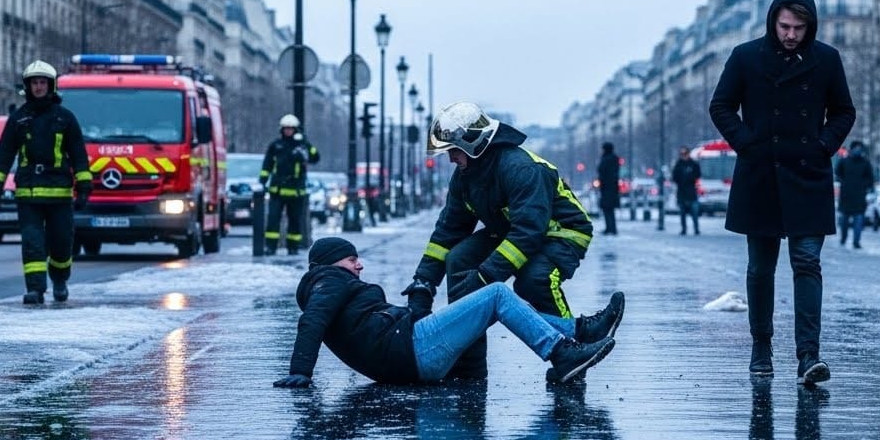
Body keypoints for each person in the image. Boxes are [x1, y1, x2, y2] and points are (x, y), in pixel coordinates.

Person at [708, 0, 856, 384]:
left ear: (811, 26)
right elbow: (720, 105)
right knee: (761, 268)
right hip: (761, 173)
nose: (791, 35)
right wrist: (746, 142)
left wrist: (823, 145)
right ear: (773, 21)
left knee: (807, 263)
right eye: (785, 26)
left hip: (808, 174)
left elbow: (844, 111)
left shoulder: (827, 60)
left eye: (799, 28)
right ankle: (761, 346)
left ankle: (809, 355)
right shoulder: (745, 57)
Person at [404, 101, 610, 380]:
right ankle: (469, 364)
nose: (450, 158)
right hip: (513, 230)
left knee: (533, 280)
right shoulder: (465, 177)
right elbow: (448, 231)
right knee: (460, 259)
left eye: (453, 150)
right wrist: (424, 282)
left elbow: (528, 233)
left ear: (472, 144)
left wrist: (485, 276)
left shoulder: (520, 168)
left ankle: (571, 353)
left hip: (561, 231)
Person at [273, 237, 622, 387]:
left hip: (408, 355)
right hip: (411, 352)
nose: (359, 265)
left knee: (490, 304)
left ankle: (577, 332)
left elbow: (391, 327)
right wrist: (300, 371)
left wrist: (419, 297)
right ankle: (563, 353)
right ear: (333, 262)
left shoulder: (334, 285)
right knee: (496, 294)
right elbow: (312, 320)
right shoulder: (328, 281)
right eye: (352, 260)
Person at [0, 59, 92, 305]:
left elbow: (78, 154)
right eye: (34, 83)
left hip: (59, 193)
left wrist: (84, 187)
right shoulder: (18, 119)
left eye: (42, 82)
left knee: (61, 242)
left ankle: (60, 280)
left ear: (51, 85)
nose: (38, 87)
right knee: (32, 242)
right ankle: (35, 289)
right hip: (28, 192)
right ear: (28, 86)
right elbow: (4, 154)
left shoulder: (65, 118)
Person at [259, 114, 320, 255]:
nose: (288, 131)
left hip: (296, 192)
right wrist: (262, 181)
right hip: (277, 191)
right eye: (286, 128)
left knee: (295, 221)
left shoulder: (302, 146)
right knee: (273, 219)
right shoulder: (276, 145)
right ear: (282, 129)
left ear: (296, 129)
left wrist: (306, 144)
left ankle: (293, 247)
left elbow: (315, 157)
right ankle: (271, 247)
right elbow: (267, 165)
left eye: (291, 128)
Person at [833, 140, 875, 249]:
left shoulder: (865, 163)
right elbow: (837, 173)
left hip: (858, 197)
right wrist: (844, 183)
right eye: (856, 148)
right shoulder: (844, 161)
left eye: (859, 148)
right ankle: (844, 239)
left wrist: (864, 186)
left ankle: (855, 241)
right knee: (845, 221)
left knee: (858, 221)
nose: (857, 150)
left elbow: (870, 179)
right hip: (847, 196)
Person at [671, 145, 702, 235]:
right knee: (682, 213)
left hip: (691, 192)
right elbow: (674, 177)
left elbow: (698, 174)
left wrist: (689, 178)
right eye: (682, 154)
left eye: (685, 153)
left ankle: (696, 229)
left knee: (694, 212)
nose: (683, 155)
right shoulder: (678, 164)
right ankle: (684, 229)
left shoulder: (693, 164)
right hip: (682, 192)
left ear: (688, 154)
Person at [597, 142, 621, 235]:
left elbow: (600, 170)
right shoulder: (614, 159)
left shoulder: (606, 159)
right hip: (612, 188)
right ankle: (611, 228)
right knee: (610, 209)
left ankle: (610, 228)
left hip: (607, 187)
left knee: (607, 209)